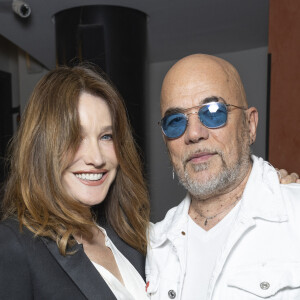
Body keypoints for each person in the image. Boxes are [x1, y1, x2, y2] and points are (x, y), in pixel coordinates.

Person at [146, 54, 300, 299]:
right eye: (176, 121)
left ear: (249, 126)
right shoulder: (152, 246)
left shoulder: (294, 216)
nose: (194, 134)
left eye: (213, 112)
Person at [0, 65, 150, 299]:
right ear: (41, 147)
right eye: (75, 138)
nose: (97, 158)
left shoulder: (131, 236)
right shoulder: (13, 245)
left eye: (106, 136)